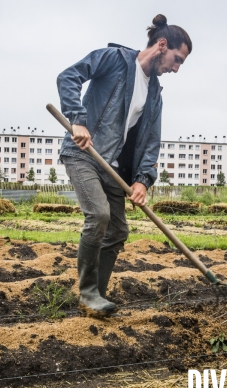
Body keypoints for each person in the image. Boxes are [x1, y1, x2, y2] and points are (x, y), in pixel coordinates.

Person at [56, 14, 192, 317]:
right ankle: (88, 293)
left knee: (117, 230)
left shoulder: (154, 93)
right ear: (161, 45)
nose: (176, 68)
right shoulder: (115, 59)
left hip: (112, 166)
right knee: (99, 215)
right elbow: (68, 77)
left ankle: (96, 298)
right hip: (83, 153)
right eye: (177, 59)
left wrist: (143, 179)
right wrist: (78, 120)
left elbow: (151, 140)